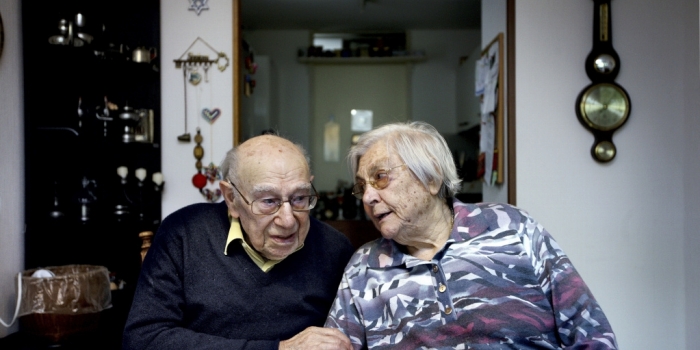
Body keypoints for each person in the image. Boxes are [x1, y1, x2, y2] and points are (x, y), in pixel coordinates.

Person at [324, 121, 618, 349]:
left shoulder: (510, 227)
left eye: (380, 177)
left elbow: (592, 334)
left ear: (431, 178)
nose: (368, 197)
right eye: (362, 186)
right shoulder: (364, 269)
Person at [123, 134, 355, 350]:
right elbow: (143, 338)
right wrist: (278, 349)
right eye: (268, 201)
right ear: (232, 199)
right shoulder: (183, 234)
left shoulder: (335, 249)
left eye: (300, 198)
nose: (287, 221)